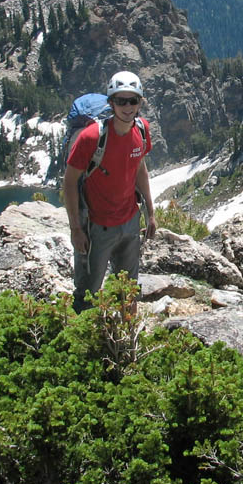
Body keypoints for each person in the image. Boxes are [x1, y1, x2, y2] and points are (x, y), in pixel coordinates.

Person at [63, 70, 157, 312]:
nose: (127, 106)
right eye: (120, 100)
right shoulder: (91, 137)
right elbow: (70, 182)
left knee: (128, 292)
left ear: (141, 102)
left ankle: (125, 344)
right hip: (97, 228)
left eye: (133, 100)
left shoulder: (142, 130)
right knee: (88, 294)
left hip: (130, 223)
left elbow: (139, 169)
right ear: (111, 103)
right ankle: (82, 343)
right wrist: (76, 228)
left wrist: (151, 212)